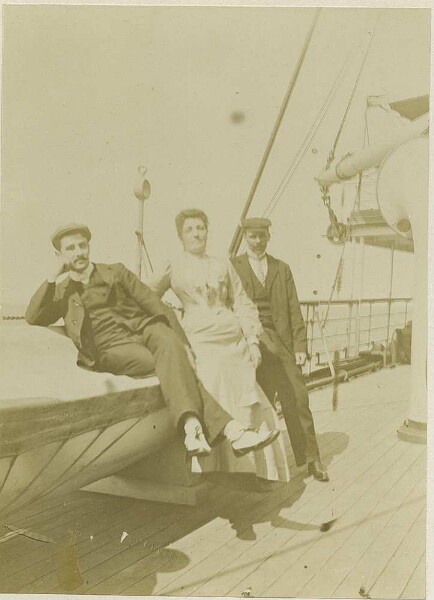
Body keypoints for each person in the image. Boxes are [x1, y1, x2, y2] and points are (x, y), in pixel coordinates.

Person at [25, 223, 281, 460]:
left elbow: (156, 304)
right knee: (170, 365)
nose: (79, 252)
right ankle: (229, 430)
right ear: (59, 255)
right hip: (111, 348)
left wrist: (186, 347)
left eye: (82, 245)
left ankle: (197, 431)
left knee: (169, 343)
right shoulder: (62, 291)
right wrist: (51, 276)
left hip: (144, 329)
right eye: (70, 248)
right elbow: (33, 316)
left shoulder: (116, 271)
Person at [148, 209, 289, 484]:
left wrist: (252, 341)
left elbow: (244, 303)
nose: (196, 234)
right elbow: (145, 293)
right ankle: (216, 467)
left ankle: (250, 468)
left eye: (200, 228)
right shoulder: (173, 265)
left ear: (207, 232)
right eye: (189, 230)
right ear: (181, 236)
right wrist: (166, 314)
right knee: (211, 373)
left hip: (232, 336)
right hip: (199, 337)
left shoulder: (222, 265)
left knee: (244, 378)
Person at [232, 217, 329, 482]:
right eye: (252, 236)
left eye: (262, 235)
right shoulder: (233, 267)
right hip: (250, 342)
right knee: (254, 404)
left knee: (297, 398)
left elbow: (294, 308)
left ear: (268, 237)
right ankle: (256, 469)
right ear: (245, 237)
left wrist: (300, 346)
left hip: (282, 343)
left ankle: (311, 459)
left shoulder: (281, 268)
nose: (257, 241)